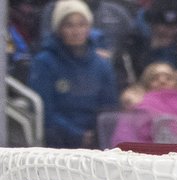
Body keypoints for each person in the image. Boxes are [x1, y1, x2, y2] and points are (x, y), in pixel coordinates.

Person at [27, 0, 118, 149]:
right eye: (69, 25)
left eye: (82, 24)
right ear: (59, 28)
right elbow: (45, 112)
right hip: (57, 142)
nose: (76, 31)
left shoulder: (102, 65)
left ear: (89, 27)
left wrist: (96, 135)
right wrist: (77, 135)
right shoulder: (44, 62)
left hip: (96, 143)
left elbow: (109, 108)